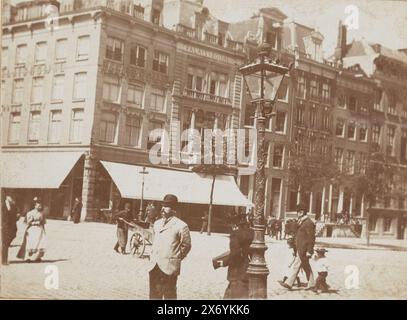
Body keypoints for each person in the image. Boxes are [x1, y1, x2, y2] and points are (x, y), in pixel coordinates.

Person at [149, 194, 191, 300]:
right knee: (154, 295)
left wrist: (175, 256)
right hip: (154, 265)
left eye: (167, 206)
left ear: (174, 209)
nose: (163, 208)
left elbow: (186, 245)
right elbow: (155, 240)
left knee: (169, 296)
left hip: (169, 268)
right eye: (162, 205)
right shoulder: (157, 223)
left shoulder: (181, 225)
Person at [278, 203, 315, 290]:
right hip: (299, 248)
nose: (297, 214)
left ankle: (289, 283)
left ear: (302, 212)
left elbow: (311, 238)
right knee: (306, 266)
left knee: (296, 265)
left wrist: (309, 250)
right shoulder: (302, 222)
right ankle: (312, 284)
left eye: (298, 212)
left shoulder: (309, 223)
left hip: (304, 248)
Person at [224, 213, 254, 299]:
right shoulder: (252, 233)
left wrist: (226, 262)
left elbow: (235, 253)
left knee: (235, 288)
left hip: (237, 266)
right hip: (248, 263)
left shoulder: (235, 234)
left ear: (236, 224)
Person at [2, 195, 19, 265]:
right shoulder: (2, 205)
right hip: (4, 227)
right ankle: (4, 260)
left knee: (8, 241)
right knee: (5, 244)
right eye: (11, 197)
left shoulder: (13, 205)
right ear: (7, 197)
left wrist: (17, 216)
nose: (12, 199)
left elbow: (16, 214)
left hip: (12, 227)